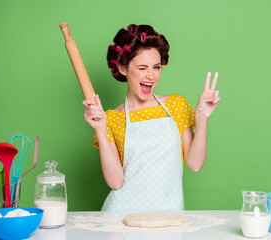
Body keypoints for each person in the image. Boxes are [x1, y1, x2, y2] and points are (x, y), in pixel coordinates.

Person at [83, 24, 220, 212]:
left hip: (168, 215)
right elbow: (115, 182)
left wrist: (202, 117)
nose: (151, 76)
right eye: (142, 68)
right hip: (122, 217)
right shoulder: (111, 119)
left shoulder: (176, 105)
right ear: (123, 68)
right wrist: (100, 129)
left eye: (156, 67)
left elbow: (195, 164)